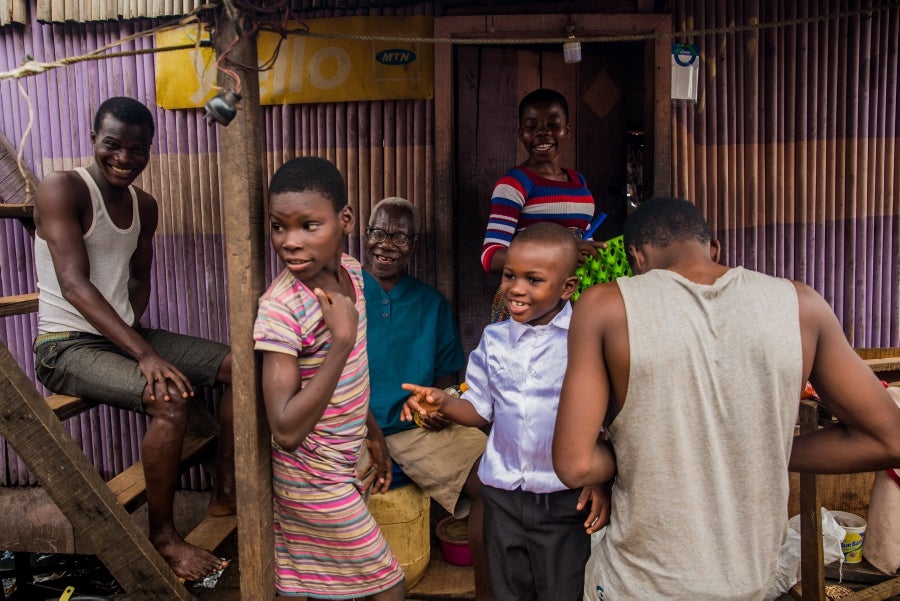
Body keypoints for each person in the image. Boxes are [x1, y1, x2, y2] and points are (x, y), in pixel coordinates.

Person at [552, 196, 900, 599]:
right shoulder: (802, 306)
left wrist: (631, 452)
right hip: (747, 583)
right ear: (714, 248)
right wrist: (762, 449)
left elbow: (575, 465)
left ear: (637, 258)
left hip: (640, 584)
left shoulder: (606, 305)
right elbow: (890, 439)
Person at [32, 97, 234, 581]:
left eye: (137, 149)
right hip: (65, 346)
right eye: (113, 145)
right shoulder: (63, 188)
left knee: (242, 367)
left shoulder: (145, 204)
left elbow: (139, 277)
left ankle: (225, 486)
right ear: (92, 138)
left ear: (149, 150)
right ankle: (163, 538)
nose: (124, 158)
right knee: (169, 400)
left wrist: (132, 333)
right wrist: (142, 354)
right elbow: (74, 285)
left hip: (120, 336)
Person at [402, 222, 610, 601]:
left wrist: (598, 478)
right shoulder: (494, 339)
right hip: (503, 497)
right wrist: (445, 403)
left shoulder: (585, 337)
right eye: (509, 275)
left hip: (564, 499)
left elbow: (606, 421)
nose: (516, 288)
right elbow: (480, 409)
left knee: (562, 591)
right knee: (505, 591)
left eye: (534, 280)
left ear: (567, 288)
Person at [253, 157, 405, 600]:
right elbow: (284, 429)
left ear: (346, 219)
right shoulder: (281, 308)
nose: (290, 242)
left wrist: (373, 434)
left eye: (308, 226)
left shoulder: (354, 272)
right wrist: (338, 342)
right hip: (310, 474)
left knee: (313, 586)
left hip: (344, 459)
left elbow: (354, 375)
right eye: (279, 227)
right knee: (388, 585)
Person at [361, 196, 489, 599]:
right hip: (353, 428)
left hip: (413, 428)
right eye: (379, 233)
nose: (387, 244)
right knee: (330, 498)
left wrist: (438, 408)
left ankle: (486, 589)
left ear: (413, 245)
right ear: (365, 236)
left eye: (399, 236)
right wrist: (370, 432)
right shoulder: (343, 293)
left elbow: (448, 379)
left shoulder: (431, 302)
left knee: (492, 479)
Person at [480, 88, 605, 322]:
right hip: (529, 300)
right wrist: (562, 254)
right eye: (531, 127)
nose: (542, 134)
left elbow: (579, 239)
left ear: (566, 131)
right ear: (520, 133)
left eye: (553, 125)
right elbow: (491, 256)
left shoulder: (578, 181)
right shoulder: (515, 184)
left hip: (574, 293)